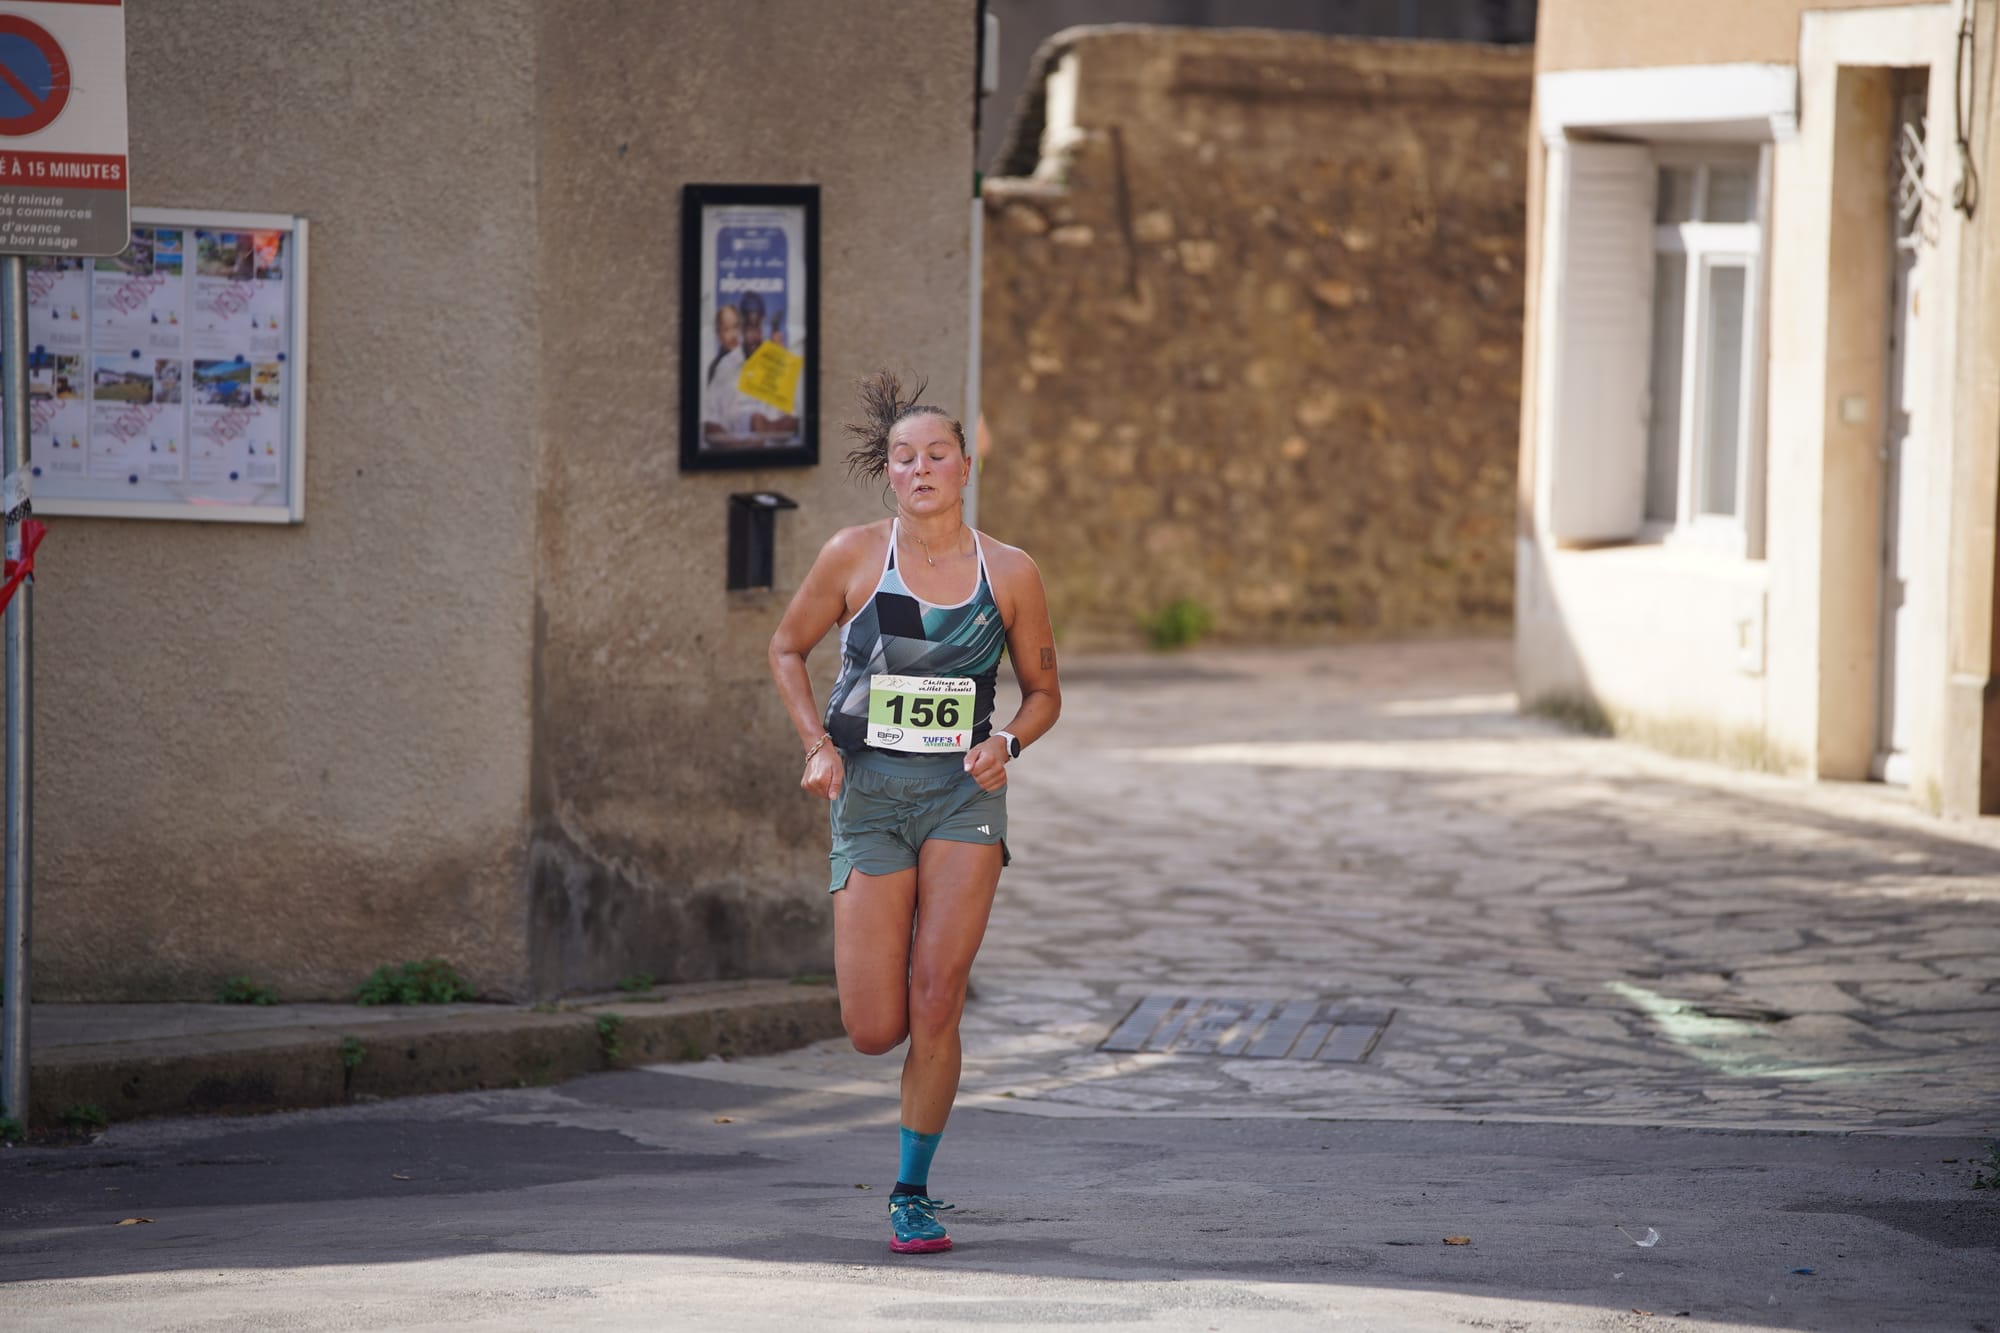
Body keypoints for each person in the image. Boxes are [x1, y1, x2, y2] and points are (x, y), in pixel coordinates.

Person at [767, 371, 1060, 1255]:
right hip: (869, 799)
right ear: (888, 473)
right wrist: (817, 742)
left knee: (938, 1000)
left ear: (966, 466)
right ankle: (895, 1016)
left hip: (963, 799)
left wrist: (1006, 743)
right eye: (904, 457)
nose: (921, 467)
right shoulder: (855, 555)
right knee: (873, 1028)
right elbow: (786, 646)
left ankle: (911, 1190)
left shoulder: (1009, 571)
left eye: (937, 454)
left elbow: (1044, 692)